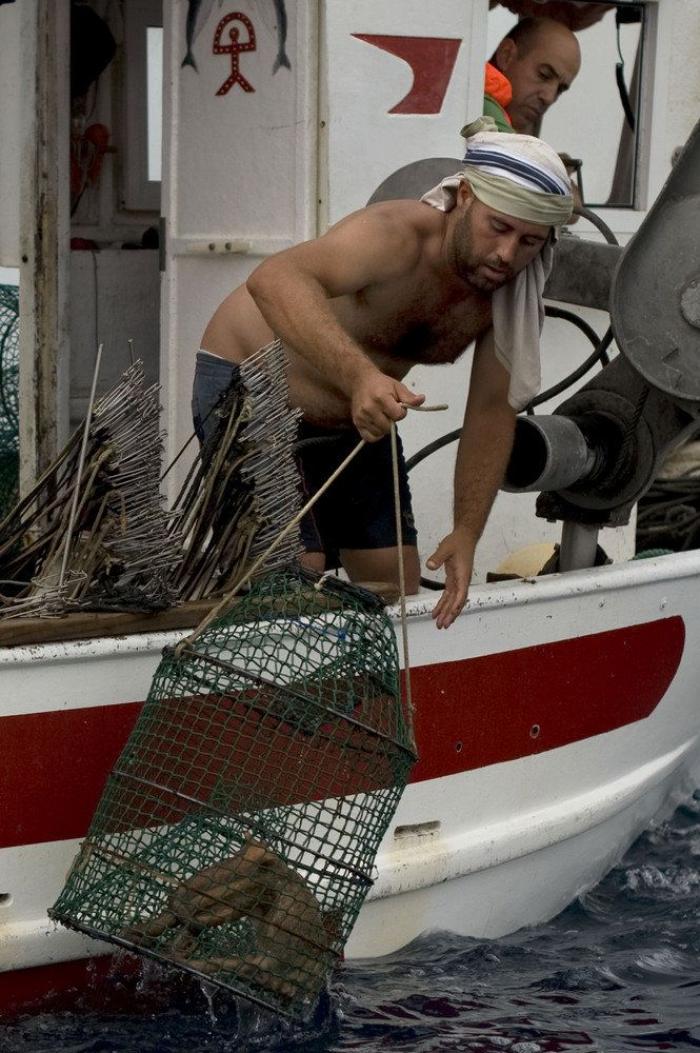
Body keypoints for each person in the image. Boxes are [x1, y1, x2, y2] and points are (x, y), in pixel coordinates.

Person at [193, 120, 573, 629]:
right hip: (251, 386)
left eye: (529, 241)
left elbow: (490, 410)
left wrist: (466, 531)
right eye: (498, 227)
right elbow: (274, 279)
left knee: (395, 582)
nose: (507, 255)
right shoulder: (395, 237)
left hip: (358, 415)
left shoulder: (508, 292)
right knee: (291, 578)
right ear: (464, 196)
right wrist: (360, 378)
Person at [485, 16, 581, 134]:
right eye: (544, 75)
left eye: (560, 89)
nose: (549, 98)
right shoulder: (466, 106)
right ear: (506, 55)